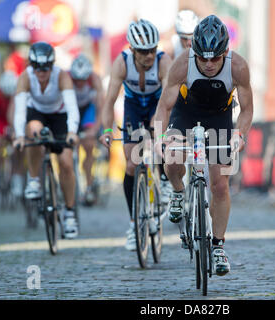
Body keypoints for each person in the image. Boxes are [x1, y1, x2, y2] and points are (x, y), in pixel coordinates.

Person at [152, 15, 254, 276]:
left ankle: (218, 246)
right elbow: (164, 107)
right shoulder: (183, 63)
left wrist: (239, 134)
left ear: (226, 52)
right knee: (172, 156)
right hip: (186, 112)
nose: (209, 64)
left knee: (220, 183)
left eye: (215, 58)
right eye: (203, 58)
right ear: (193, 51)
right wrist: (158, 139)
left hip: (219, 116)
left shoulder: (238, 66)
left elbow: (246, 110)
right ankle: (177, 191)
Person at [99, 19, 172, 251]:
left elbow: (168, 100)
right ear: (132, 50)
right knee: (131, 164)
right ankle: (133, 224)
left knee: (159, 141)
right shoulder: (121, 63)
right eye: (143, 52)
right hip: (133, 105)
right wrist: (108, 131)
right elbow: (109, 100)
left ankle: (163, 181)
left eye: (152, 49)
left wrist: (156, 126)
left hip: (157, 104)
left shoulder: (163, 62)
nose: (149, 55)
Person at [12, 41, 80, 239]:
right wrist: (18, 136)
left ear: (52, 65)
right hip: (37, 114)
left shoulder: (62, 76)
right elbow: (20, 111)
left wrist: (72, 132)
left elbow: (72, 107)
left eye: (46, 68)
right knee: (32, 132)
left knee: (66, 164)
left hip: (60, 115)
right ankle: (34, 179)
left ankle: (69, 213)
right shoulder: (25, 77)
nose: (42, 72)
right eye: (37, 68)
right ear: (32, 66)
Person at [70, 54, 105, 205]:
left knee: (89, 144)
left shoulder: (94, 79)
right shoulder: (66, 79)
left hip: (88, 111)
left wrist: (95, 129)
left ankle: (89, 185)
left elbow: (101, 108)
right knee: (72, 146)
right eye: (76, 80)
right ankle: (72, 183)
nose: (79, 83)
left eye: (82, 79)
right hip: (72, 110)